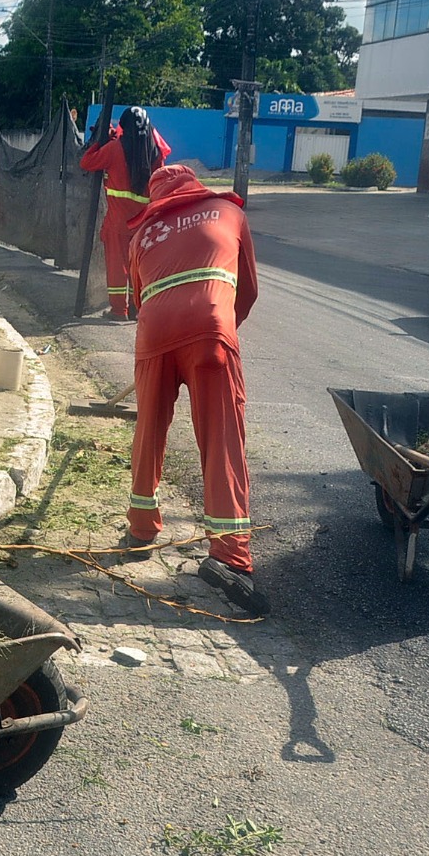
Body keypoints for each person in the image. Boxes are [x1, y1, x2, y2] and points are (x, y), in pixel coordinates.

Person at [120, 164, 266, 616]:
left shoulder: (141, 236)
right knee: (222, 437)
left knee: (149, 431)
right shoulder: (229, 212)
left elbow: (140, 300)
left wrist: (171, 331)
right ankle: (230, 554)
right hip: (211, 327)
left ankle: (141, 528)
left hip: (154, 333)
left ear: (156, 199)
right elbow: (247, 290)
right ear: (194, 187)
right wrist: (217, 331)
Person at [79, 106, 172, 319]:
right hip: (145, 222)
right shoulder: (155, 153)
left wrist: (101, 141)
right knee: (138, 267)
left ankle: (119, 310)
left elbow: (86, 162)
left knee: (116, 266)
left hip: (118, 221)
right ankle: (137, 307)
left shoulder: (114, 149)